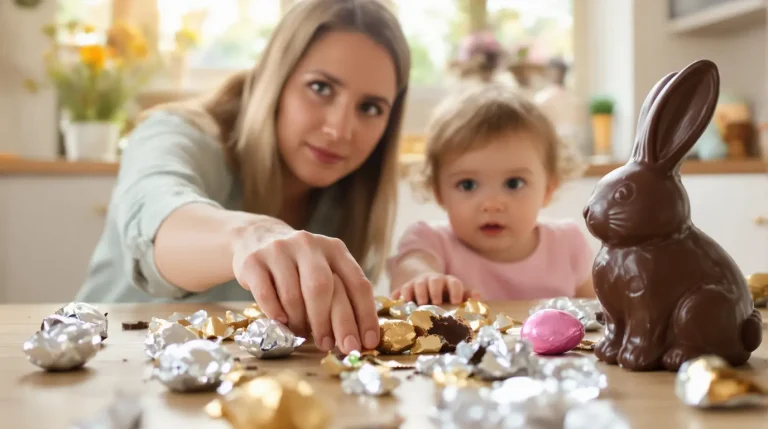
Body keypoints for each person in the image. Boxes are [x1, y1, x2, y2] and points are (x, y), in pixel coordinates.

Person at [75, 0, 411, 355]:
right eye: (321, 88)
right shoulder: (175, 134)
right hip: (105, 365)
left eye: (370, 108)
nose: (339, 130)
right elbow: (158, 218)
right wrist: (250, 237)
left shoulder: (349, 199)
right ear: (274, 78)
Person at [388, 83, 595, 306]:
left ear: (548, 190)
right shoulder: (430, 241)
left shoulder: (566, 245)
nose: (492, 204)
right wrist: (423, 280)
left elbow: (597, 312)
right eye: (468, 185)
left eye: (514, 183)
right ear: (439, 192)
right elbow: (410, 269)